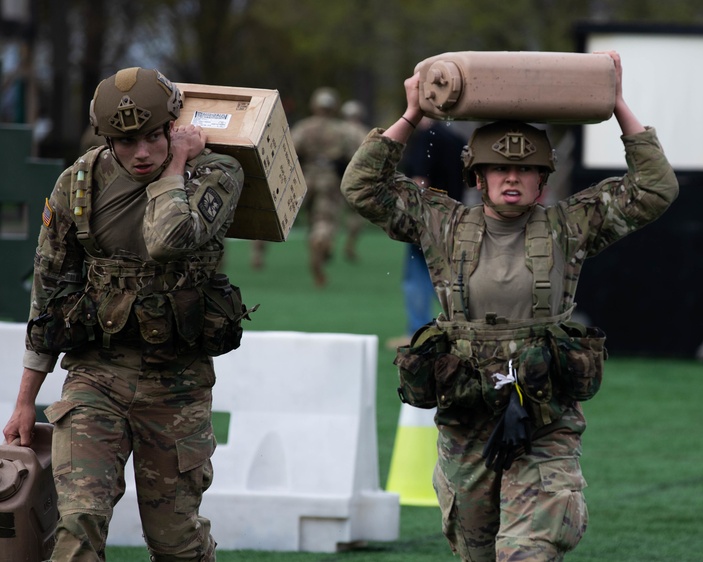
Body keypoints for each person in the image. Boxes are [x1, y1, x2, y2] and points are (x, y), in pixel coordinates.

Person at [342, 51, 679, 561]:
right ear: (477, 178)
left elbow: (655, 189)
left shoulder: (570, 225)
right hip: (466, 413)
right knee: (475, 549)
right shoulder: (444, 223)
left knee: (527, 552)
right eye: (498, 168)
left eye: (526, 169)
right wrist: (412, 115)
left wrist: (618, 107)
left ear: (544, 180)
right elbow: (361, 187)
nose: (512, 178)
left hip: (544, 414)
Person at [3, 67, 247, 560]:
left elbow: (168, 240)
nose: (141, 153)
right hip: (96, 377)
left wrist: (176, 166)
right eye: (125, 140)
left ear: (173, 127)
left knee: (175, 543)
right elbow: (49, 290)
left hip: (176, 385)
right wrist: (25, 399)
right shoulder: (78, 183)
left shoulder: (217, 173)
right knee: (78, 521)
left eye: (154, 137)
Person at [251, 88, 365, 285]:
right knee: (324, 219)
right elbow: (355, 156)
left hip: (304, 178)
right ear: (334, 107)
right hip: (329, 179)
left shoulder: (304, 127)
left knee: (279, 215)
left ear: (314, 105)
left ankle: (259, 250)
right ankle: (320, 239)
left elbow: (288, 149)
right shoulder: (342, 131)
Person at [387, 118, 469, 349]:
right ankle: (461, 326)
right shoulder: (456, 138)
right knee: (444, 275)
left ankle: (417, 331)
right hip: (453, 215)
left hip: (428, 217)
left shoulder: (427, 137)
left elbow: (420, 179)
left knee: (417, 276)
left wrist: (411, 214)